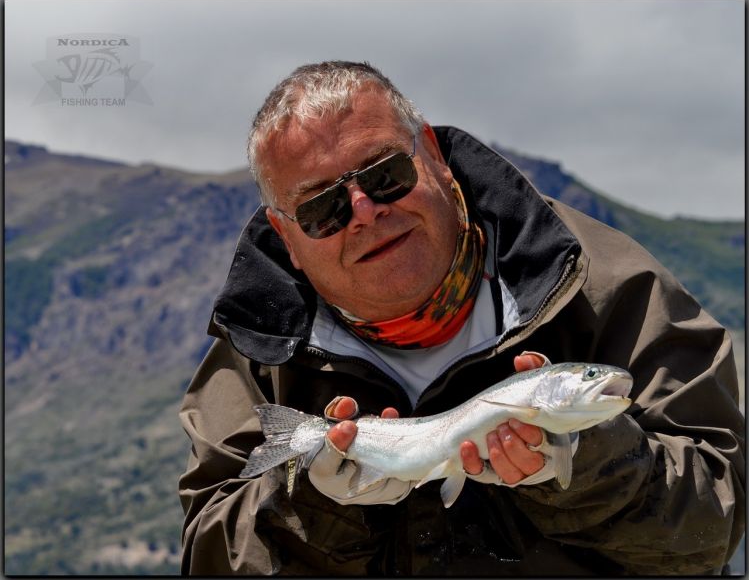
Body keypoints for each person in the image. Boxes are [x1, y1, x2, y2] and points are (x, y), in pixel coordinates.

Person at [178, 61, 744, 575]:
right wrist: (315, 504)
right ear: (287, 239)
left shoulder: (608, 287)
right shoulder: (259, 348)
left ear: (432, 155)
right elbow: (210, 557)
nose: (365, 212)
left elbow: (713, 529)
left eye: (383, 175)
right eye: (322, 208)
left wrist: (585, 461)